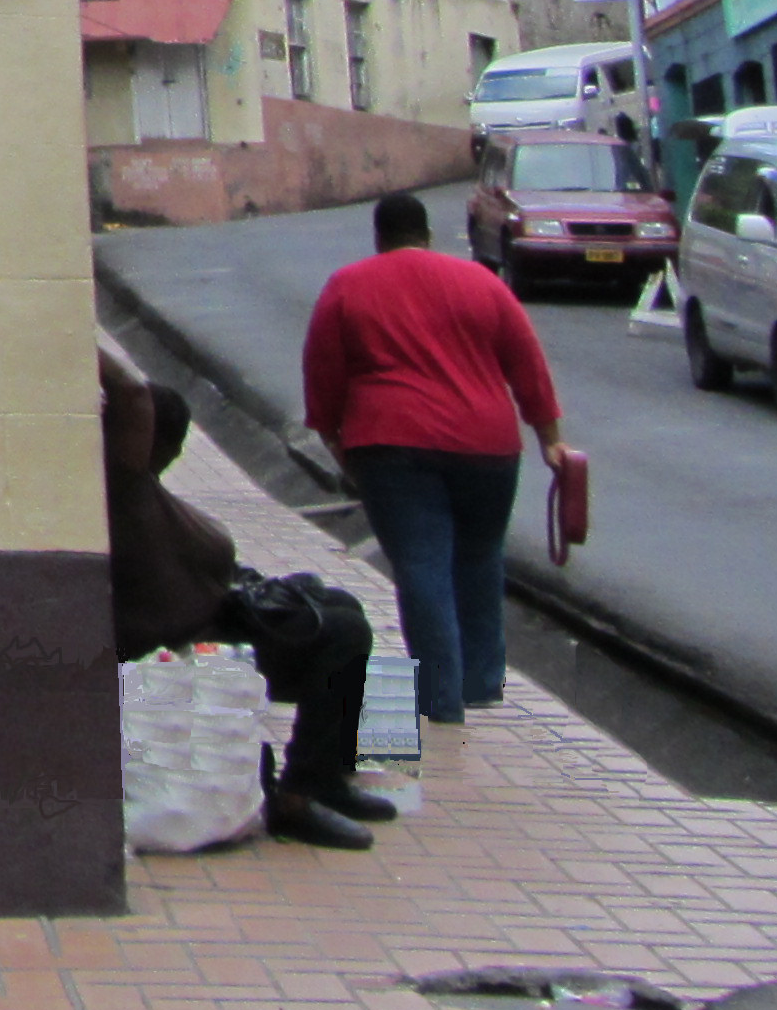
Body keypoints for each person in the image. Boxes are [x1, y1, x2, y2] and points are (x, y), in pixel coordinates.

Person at [98, 344, 398, 849]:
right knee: (341, 633)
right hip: (187, 637)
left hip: (213, 613)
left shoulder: (140, 489)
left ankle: (329, 775)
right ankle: (297, 797)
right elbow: (131, 394)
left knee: (340, 607)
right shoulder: (121, 485)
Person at [302, 190, 570, 727]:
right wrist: (550, 438)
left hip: (392, 445)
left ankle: (440, 698)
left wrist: (336, 440)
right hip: (488, 445)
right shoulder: (482, 283)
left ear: (379, 239)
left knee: (423, 564)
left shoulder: (348, 286)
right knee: (479, 555)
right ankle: (480, 682)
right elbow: (527, 361)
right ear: (426, 235)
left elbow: (323, 372)